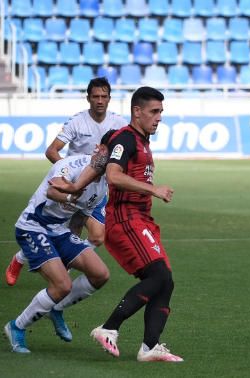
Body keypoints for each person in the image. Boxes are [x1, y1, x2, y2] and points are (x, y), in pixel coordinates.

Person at [87, 86, 183, 362]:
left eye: (161, 112)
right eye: (154, 111)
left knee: (165, 282)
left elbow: (105, 151)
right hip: (125, 218)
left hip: (140, 219)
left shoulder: (137, 140)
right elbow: (114, 176)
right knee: (159, 277)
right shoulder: (127, 139)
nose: (159, 117)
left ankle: (149, 348)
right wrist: (153, 189)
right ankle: (108, 328)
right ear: (137, 112)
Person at [5, 77, 128, 286]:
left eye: (104, 96)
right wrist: (70, 171)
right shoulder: (77, 121)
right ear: (88, 98)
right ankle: (20, 259)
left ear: (109, 99)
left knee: (97, 236)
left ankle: (65, 268)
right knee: (61, 230)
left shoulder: (119, 123)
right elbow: (52, 150)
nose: (100, 100)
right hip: (71, 186)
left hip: (97, 188)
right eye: (95, 96)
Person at [3, 131, 116, 353]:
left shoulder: (102, 185)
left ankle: (56, 308)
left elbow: (80, 217)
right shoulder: (72, 164)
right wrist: (71, 196)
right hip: (32, 226)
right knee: (62, 285)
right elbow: (54, 190)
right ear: (100, 150)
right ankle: (16, 327)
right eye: (112, 155)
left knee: (100, 273)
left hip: (58, 230)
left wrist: (72, 248)